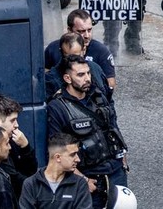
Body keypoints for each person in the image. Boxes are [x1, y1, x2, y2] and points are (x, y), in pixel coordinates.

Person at [47, 55, 128, 209]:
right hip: (91, 179)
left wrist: (123, 158)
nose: (87, 78)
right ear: (67, 78)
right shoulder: (57, 107)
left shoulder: (98, 96)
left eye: (88, 73)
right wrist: (83, 180)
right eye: (80, 75)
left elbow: (113, 127)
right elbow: (56, 153)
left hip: (116, 173)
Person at [45, 9, 116, 91]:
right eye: (81, 31)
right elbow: (44, 76)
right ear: (69, 30)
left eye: (89, 30)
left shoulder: (101, 51)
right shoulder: (52, 48)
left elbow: (110, 84)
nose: (87, 35)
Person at [19, 133, 93, 209]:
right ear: (58, 157)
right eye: (73, 154)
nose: (78, 159)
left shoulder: (80, 184)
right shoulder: (31, 184)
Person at [45, 32, 112, 103]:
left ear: (84, 50)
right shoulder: (51, 80)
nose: (72, 61)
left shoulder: (95, 69)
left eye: (76, 57)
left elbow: (108, 98)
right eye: (68, 57)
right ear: (61, 52)